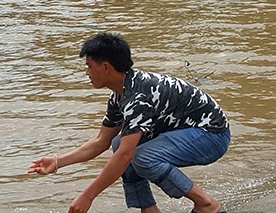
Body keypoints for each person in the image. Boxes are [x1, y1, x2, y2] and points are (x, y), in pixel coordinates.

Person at [28, 32, 230, 213]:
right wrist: (57, 161)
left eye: (89, 66)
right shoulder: (121, 93)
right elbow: (101, 141)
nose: (86, 72)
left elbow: (126, 155)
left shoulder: (137, 97)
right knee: (119, 143)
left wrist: (87, 196)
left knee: (138, 155)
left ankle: (206, 204)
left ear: (105, 67)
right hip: (188, 132)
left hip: (211, 135)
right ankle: (149, 209)